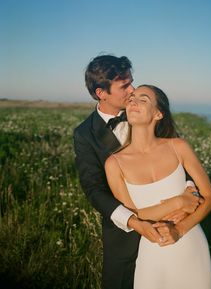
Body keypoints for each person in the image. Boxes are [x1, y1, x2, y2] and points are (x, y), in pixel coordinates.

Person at [73, 55, 200, 289]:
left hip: (173, 226)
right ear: (101, 93)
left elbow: (177, 156)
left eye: (132, 82)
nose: (132, 91)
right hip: (124, 236)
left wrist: (188, 191)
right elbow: (94, 190)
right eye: (124, 86)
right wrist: (133, 221)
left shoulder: (145, 111)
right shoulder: (84, 135)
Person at [105, 84, 211, 289]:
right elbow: (134, 217)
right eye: (131, 98)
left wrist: (180, 229)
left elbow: (210, 198)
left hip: (191, 244)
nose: (132, 101)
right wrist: (179, 202)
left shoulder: (179, 147)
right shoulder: (114, 163)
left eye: (143, 99)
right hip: (152, 249)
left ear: (158, 114)